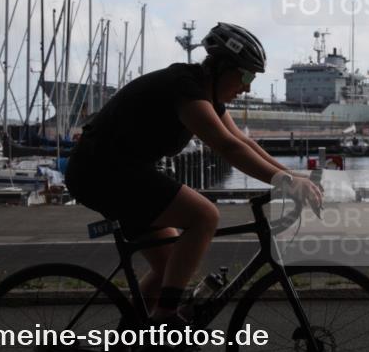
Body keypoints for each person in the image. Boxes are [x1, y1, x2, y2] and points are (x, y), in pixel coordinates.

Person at [64, 22, 322, 324]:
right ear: (223, 68)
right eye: (247, 75)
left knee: (170, 265)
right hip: (103, 171)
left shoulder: (206, 95)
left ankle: (133, 345)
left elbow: (243, 141)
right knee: (205, 216)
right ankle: (166, 315)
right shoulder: (185, 87)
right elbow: (227, 147)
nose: (248, 87)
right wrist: (285, 183)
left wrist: (294, 178)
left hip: (119, 171)